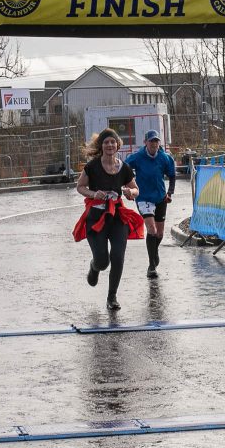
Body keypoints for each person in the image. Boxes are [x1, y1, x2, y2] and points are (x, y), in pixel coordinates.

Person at [73, 128, 144, 311]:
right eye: (106, 142)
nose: (110, 145)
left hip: (117, 217)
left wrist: (130, 192)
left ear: (118, 145)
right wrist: (93, 193)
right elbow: (80, 187)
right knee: (103, 261)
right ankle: (94, 266)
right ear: (101, 146)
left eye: (113, 142)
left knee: (118, 257)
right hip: (96, 218)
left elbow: (136, 189)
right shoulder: (92, 167)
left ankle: (112, 297)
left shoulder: (124, 168)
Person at [125, 129, 176, 279]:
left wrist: (170, 192)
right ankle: (151, 265)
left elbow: (172, 175)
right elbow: (124, 168)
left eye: (156, 141)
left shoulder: (164, 157)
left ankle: (154, 252)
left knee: (159, 233)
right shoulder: (138, 157)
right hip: (143, 197)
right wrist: (128, 185)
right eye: (151, 141)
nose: (154, 144)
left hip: (160, 197)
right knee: (151, 229)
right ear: (145, 142)